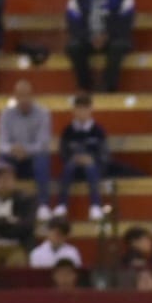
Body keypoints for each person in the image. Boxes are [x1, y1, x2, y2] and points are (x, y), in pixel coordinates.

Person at [0, 79, 54, 222]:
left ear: (32, 96)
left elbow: (42, 144)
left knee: (42, 159)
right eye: (21, 96)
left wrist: (25, 150)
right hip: (13, 157)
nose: (24, 100)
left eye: (27, 95)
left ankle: (43, 205)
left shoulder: (43, 114)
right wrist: (13, 149)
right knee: (1, 162)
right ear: (15, 97)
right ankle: (2, 204)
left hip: (33, 158)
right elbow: (2, 143)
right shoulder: (5, 114)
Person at [55, 92, 109, 221]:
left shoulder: (98, 131)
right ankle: (62, 204)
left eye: (85, 109)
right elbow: (63, 152)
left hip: (94, 168)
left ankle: (95, 205)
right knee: (68, 167)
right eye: (79, 109)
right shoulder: (68, 131)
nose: (82, 112)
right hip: (73, 167)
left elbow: (104, 154)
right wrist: (73, 158)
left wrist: (91, 159)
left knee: (90, 167)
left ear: (90, 110)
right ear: (74, 110)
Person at [64, 0, 134, 94]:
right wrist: (90, 37)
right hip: (87, 38)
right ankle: (85, 86)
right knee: (74, 47)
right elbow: (73, 22)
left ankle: (109, 88)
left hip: (115, 38)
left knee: (118, 47)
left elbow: (125, 22)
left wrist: (107, 36)